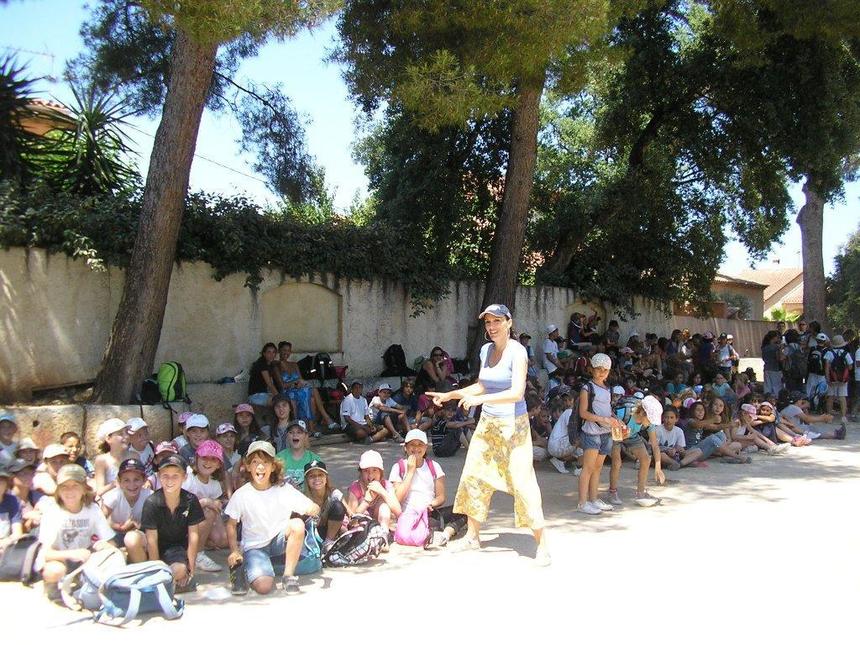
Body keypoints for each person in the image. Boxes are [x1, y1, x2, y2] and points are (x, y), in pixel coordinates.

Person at [427, 304, 549, 566]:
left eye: (497, 321)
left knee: (522, 482)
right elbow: (482, 385)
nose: (491, 327)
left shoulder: (518, 353)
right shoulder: (485, 350)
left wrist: (477, 399)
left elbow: (516, 393)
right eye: (488, 322)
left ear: (508, 323)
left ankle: (542, 545)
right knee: (474, 476)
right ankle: (472, 536)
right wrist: (453, 394)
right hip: (488, 424)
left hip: (513, 426)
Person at [225, 440, 320, 595]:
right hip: (255, 546)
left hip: (278, 540)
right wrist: (234, 550)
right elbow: (231, 524)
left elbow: (311, 506)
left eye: (265, 462)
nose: (260, 467)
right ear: (248, 466)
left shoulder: (283, 489)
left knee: (297, 524)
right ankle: (242, 567)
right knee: (264, 587)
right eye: (255, 462)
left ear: (273, 466)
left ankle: (288, 575)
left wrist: (313, 509)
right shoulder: (242, 494)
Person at [37, 464, 117, 603]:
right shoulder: (52, 512)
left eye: (75, 485)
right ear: (58, 490)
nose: (70, 491)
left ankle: (85, 587)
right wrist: (72, 554)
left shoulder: (92, 509)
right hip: (60, 558)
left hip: (85, 560)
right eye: (64, 487)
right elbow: (46, 553)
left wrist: (104, 549)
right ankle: (52, 588)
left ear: (84, 489)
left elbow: (109, 541)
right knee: (54, 570)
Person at [141, 454, 205, 593]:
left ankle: (168, 580)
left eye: (175, 476)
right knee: (133, 540)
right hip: (155, 548)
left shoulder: (190, 500)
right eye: (165, 476)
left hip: (176, 549)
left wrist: (190, 567)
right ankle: (155, 579)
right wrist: (156, 569)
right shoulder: (151, 502)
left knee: (180, 570)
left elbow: (193, 535)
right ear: (159, 476)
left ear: (184, 477)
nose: (170, 480)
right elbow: (151, 541)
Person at [607, 395, 665, 507]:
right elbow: (609, 414)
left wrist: (658, 467)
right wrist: (618, 423)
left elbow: (655, 445)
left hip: (631, 435)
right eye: (650, 419)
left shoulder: (649, 424)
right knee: (617, 462)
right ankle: (612, 492)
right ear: (643, 413)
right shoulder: (624, 412)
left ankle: (640, 492)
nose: (651, 423)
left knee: (645, 459)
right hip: (615, 434)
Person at [182, 440, 229, 572]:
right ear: (197, 458)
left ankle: (202, 543)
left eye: (213, 459)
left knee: (221, 539)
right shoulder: (188, 478)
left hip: (197, 522)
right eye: (204, 458)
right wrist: (205, 502)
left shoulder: (214, 484)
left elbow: (216, 511)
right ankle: (198, 554)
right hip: (181, 520)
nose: (208, 463)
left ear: (219, 464)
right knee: (208, 510)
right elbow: (180, 506)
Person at [100, 458, 152, 563]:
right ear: (119, 481)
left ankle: (141, 568)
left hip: (141, 535)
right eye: (126, 480)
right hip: (115, 534)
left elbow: (155, 525)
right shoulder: (114, 495)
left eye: (136, 479)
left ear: (144, 480)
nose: (132, 485)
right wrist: (117, 527)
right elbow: (99, 520)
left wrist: (138, 526)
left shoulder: (149, 496)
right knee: (104, 546)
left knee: (132, 539)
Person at [345, 449, 401, 540]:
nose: (370, 475)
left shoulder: (386, 485)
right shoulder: (355, 488)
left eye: (375, 470)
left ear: (381, 472)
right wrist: (366, 502)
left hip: (382, 525)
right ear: (361, 472)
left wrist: (382, 492)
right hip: (362, 528)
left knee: (383, 506)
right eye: (366, 471)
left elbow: (398, 512)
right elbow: (351, 520)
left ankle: (383, 538)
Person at [302, 459, 347, 552]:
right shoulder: (302, 497)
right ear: (306, 480)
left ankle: (328, 542)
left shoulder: (334, 493)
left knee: (338, 506)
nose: (317, 479)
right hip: (310, 532)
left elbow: (350, 513)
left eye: (320, 475)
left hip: (328, 531)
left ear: (326, 478)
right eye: (312, 476)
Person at [275, 420, 321, 488]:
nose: (295, 435)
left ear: (306, 436)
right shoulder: (279, 458)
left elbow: (320, 485)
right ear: (287, 436)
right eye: (291, 432)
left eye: (299, 432)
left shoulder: (314, 459)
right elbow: (273, 482)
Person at [93, 417, 131, 497]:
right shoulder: (101, 460)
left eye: (126, 432)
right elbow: (99, 491)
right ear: (108, 439)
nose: (126, 436)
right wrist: (114, 484)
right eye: (121, 433)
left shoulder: (134, 456)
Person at [824, 335, 853, 423]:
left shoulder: (829, 353)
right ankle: (843, 417)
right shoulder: (846, 353)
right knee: (842, 397)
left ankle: (829, 417)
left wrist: (828, 378)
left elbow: (827, 367)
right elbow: (850, 367)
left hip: (832, 379)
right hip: (843, 380)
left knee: (830, 397)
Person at [248, 342, 281, 406]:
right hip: (256, 396)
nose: (271, 354)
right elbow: (270, 384)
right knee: (278, 403)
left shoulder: (270, 364)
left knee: (288, 400)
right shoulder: (261, 364)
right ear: (264, 354)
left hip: (265, 394)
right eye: (269, 352)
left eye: (274, 352)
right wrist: (279, 397)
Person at [0, 467, 23, 555]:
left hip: (6, 546)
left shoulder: (12, 500)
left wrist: (8, 541)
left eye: (1, 481)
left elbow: (17, 532)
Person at [761, 330, 784, 396]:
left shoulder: (764, 347)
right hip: (775, 369)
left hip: (766, 368)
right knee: (776, 387)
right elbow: (778, 358)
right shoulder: (776, 347)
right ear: (773, 338)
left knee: (767, 387)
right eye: (777, 337)